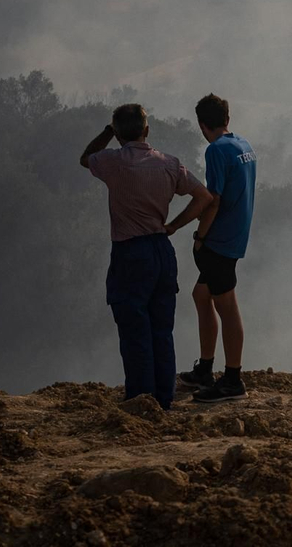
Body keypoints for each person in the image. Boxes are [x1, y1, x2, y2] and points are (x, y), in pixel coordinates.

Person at [81, 103, 215, 409]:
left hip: (130, 252)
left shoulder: (112, 162)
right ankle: (163, 401)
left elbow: (85, 158)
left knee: (134, 331)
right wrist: (174, 226)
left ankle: (141, 402)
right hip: (161, 250)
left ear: (117, 134)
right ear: (147, 130)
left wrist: (106, 133)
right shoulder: (169, 164)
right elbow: (204, 197)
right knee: (161, 331)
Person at [177, 93, 257, 404]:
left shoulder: (216, 151)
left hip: (220, 241)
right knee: (201, 295)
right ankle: (206, 370)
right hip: (236, 234)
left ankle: (233, 380)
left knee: (227, 306)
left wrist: (200, 237)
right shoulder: (243, 145)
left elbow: (213, 200)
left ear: (201, 124)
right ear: (227, 118)